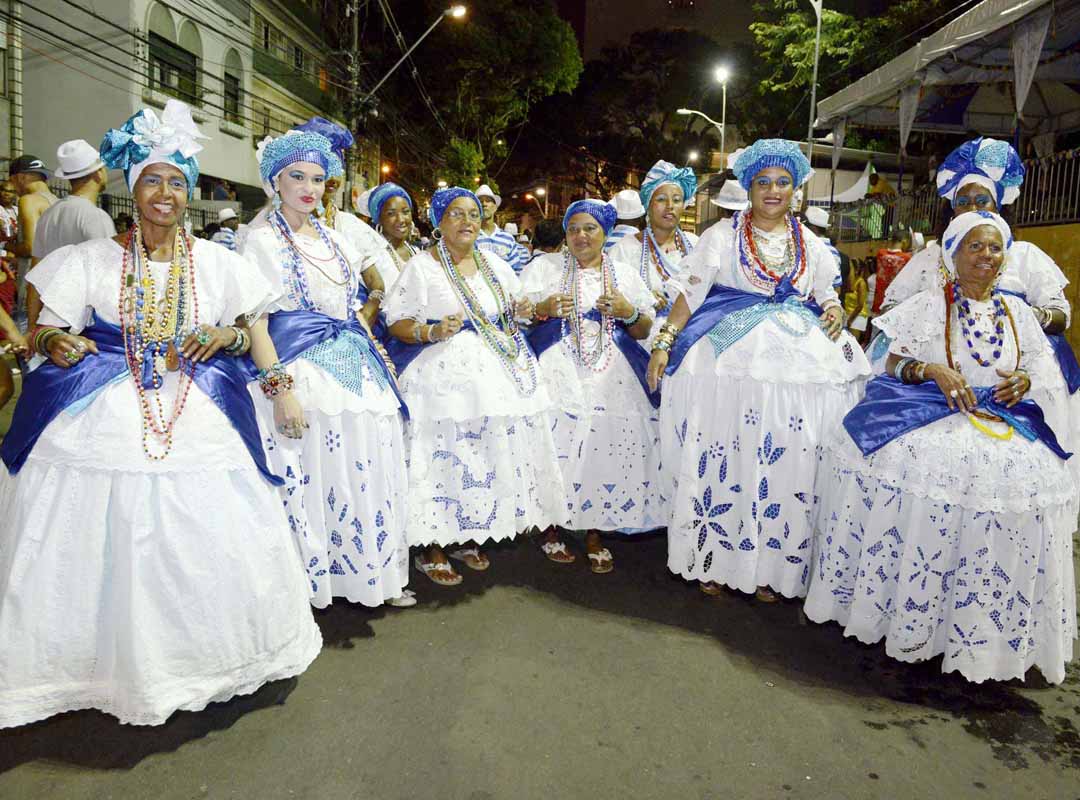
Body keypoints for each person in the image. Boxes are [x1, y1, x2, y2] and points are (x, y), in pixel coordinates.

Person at [0, 99, 321, 729]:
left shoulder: (223, 262)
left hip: (194, 400)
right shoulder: (92, 259)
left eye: (177, 182)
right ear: (131, 187)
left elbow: (251, 329)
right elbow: (44, 327)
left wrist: (235, 348)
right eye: (152, 180)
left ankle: (205, 658)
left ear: (189, 191)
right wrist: (54, 342)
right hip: (107, 396)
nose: (165, 193)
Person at [806, 211, 1076, 684]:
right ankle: (913, 618)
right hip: (933, 416)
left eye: (994, 248)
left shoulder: (1018, 314)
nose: (986, 257)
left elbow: (1043, 370)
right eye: (975, 247)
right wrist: (932, 371)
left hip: (1001, 422)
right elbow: (888, 360)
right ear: (953, 255)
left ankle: (978, 629)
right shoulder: (930, 304)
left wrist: (1024, 381)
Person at [646, 139, 870, 602]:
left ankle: (771, 563)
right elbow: (690, 294)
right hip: (731, 354)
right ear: (748, 189)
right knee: (731, 450)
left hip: (801, 353)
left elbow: (825, 288)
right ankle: (714, 555)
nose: (773, 190)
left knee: (789, 458)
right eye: (763, 183)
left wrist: (832, 309)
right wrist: (665, 344)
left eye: (783, 183)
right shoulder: (722, 236)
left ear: (795, 190)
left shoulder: (808, 241)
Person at [240, 128, 413, 609]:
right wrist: (280, 389)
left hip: (352, 364)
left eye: (317, 178)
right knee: (312, 473)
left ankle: (365, 575)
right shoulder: (259, 242)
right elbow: (256, 320)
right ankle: (309, 586)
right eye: (296, 176)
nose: (308, 187)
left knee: (364, 467)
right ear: (275, 181)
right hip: (297, 368)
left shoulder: (337, 240)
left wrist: (373, 349)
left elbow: (354, 303)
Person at [383, 186, 566, 586]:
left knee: (479, 454)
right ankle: (432, 545)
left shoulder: (496, 265)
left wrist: (529, 310)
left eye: (473, 215)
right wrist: (429, 330)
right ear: (438, 223)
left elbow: (519, 312)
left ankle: (464, 532)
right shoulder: (422, 266)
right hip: (441, 375)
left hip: (495, 370)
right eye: (456, 215)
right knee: (443, 453)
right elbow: (395, 321)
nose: (467, 222)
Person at [521, 199, 658, 571]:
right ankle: (550, 527)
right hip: (557, 365)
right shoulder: (545, 267)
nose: (581, 236)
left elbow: (645, 327)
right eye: (574, 229)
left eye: (590, 229)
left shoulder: (625, 273)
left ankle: (594, 529)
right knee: (557, 441)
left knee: (604, 446)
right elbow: (517, 314)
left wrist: (628, 312)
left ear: (605, 233)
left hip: (611, 369)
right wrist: (543, 307)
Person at [294, 118, 400, 291]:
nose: (334, 179)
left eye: (338, 169)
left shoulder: (351, 227)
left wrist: (365, 314)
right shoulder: (270, 228)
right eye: (325, 169)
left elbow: (385, 287)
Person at [609, 160, 699, 349]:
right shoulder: (625, 249)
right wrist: (644, 299)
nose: (670, 206)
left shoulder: (696, 244)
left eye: (676, 199)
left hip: (690, 339)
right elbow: (611, 295)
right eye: (661, 199)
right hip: (640, 342)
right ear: (648, 204)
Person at [9, 155, 59, 329]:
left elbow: (30, 247)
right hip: (57, 287)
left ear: (20, 177)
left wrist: (7, 245)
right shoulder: (59, 203)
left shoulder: (28, 201)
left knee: (27, 346)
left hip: (33, 288)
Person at [368, 180, 417, 286]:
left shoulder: (417, 251)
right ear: (378, 219)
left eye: (405, 212)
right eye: (391, 213)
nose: (401, 219)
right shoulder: (372, 257)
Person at [475, 183, 528, 273]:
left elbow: (516, 271)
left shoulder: (508, 239)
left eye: (488, 200)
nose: (484, 204)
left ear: (495, 207)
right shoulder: (471, 237)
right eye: (480, 201)